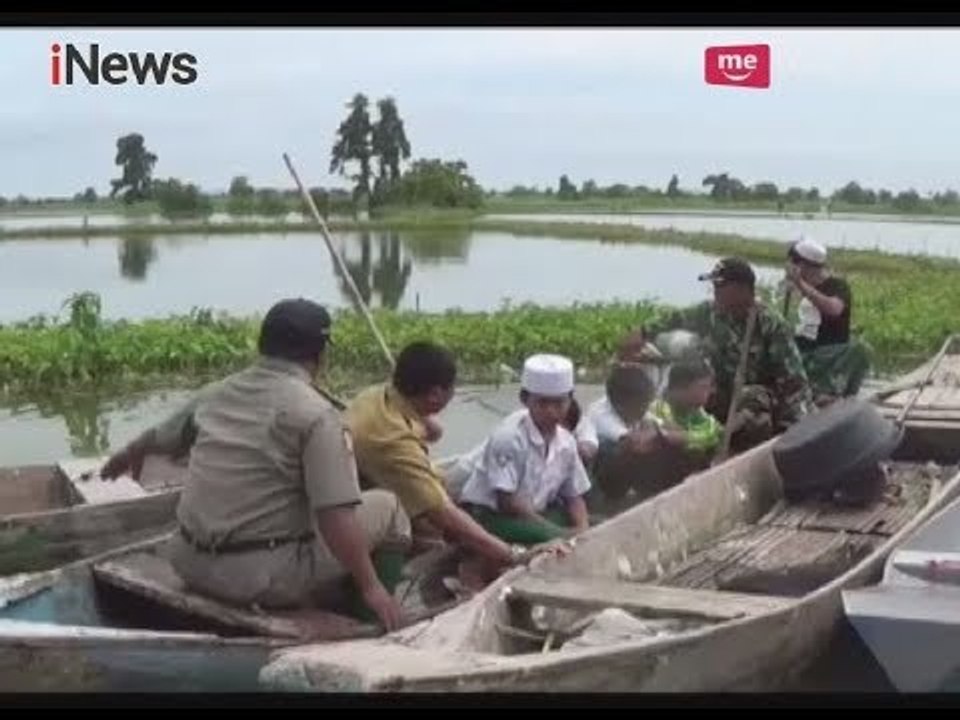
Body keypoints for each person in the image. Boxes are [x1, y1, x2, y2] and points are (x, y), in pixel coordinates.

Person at [99, 298, 410, 631]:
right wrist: (371, 586)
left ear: (262, 344)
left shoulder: (218, 392)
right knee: (390, 509)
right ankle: (370, 618)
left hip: (187, 563)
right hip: (257, 581)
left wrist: (127, 455)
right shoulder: (317, 415)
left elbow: (159, 437)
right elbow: (335, 517)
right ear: (320, 355)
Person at [346, 341, 551, 588]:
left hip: (399, 479)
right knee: (462, 529)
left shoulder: (375, 396)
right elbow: (442, 512)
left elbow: (431, 433)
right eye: (452, 389)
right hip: (374, 503)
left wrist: (426, 420)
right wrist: (512, 554)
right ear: (434, 395)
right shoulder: (392, 441)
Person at [622, 257, 812, 454]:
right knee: (684, 390)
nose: (715, 291)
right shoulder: (709, 313)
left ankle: (725, 441)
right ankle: (681, 439)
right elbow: (673, 319)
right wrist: (642, 333)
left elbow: (795, 383)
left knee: (753, 397)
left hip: (754, 406)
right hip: (718, 396)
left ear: (742, 290)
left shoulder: (770, 325)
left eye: (720, 286)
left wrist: (798, 428)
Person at [458, 354, 592, 545]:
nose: (551, 411)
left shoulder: (567, 442)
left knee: (583, 525)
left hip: (535, 515)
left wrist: (583, 529)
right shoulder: (509, 438)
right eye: (543, 403)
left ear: (570, 400)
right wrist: (559, 533)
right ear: (525, 399)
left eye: (559, 403)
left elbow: (574, 496)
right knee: (551, 537)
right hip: (493, 517)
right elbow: (507, 502)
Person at [784, 237, 871, 405]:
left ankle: (828, 396)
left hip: (827, 352)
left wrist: (800, 284)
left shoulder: (837, 285)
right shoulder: (803, 287)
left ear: (802, 266)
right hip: (804, 350)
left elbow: (834, 309)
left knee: (859, 349)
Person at [582, 362, 667, 506]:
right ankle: (603, 502)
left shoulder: (632, 406)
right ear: (623, 405)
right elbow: (636, 442)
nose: (646, 409)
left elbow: (662, 426)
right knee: (627, 449)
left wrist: (657, 430)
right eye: (643, 405)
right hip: (595, 477)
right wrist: (656, 432)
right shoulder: (601, 416)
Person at [649, 358, 724, 476]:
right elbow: (671, 438)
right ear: (682, 387)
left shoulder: (694, 410)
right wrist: (693, 438)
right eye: (703, 386)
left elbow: (713, 432)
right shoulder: (657, 409)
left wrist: (687, 437)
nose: (711, 391)